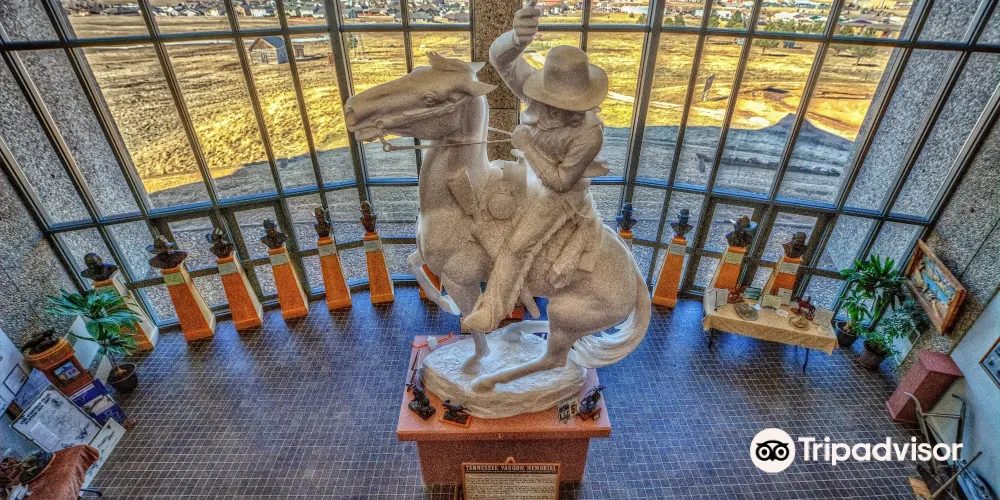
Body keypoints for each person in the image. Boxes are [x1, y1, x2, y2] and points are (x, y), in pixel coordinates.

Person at [463, 0, 609, 333]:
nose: (553, 109)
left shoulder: (590, 135)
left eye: (566, 105)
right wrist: (517, 38)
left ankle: (492, 310)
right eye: (551, 101)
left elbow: (560, 181)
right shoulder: (538, 94)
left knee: (517, 246)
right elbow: (501, 61)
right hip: (529, 174)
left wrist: (527, 146)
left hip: (560, 196)